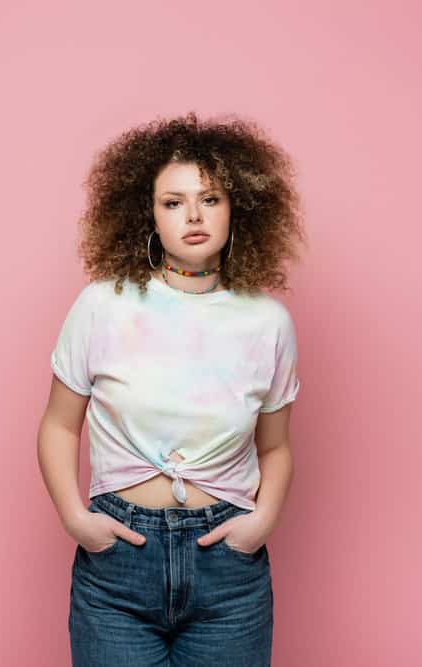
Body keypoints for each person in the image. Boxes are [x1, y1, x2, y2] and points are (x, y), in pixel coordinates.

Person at [37, 111, 307, 666]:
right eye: (172, 201)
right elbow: (59, 425)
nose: (192, 216)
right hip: (118, 564)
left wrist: (260, 524)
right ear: (148, 214)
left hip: (228, 570)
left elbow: (275, 447)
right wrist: (75, 519)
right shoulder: (102, 305)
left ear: (239, 209)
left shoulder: (267, 322)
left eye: (210, 199)